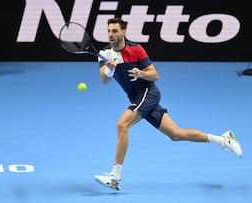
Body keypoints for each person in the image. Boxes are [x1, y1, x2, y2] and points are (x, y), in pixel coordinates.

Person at [93, 18, 243, 191]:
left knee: (122, 125)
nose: (111, 35)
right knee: (176, 134)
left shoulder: (136, 49)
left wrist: (140, 73)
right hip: (136, 97)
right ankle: (224, 139)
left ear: (124, 32)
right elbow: (104, 79)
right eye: (109, 31)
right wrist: (110, 68)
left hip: (148, 93)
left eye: (115, 31)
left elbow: (155, 75)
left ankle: (115, 177)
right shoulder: (104, 53)